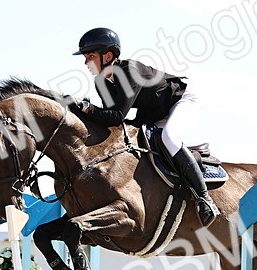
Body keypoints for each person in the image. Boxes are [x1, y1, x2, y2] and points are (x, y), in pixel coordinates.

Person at [69, 27, 220, 226]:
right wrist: (82, 111)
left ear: (107, 56)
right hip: (153, 111)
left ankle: (204, 199)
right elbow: (110, 121)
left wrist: (88, 109)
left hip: (181, 100)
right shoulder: (101, 82)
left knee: (169, 137)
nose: (86, 62)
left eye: (90, 56)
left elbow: (117, 116)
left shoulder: (129, 71)